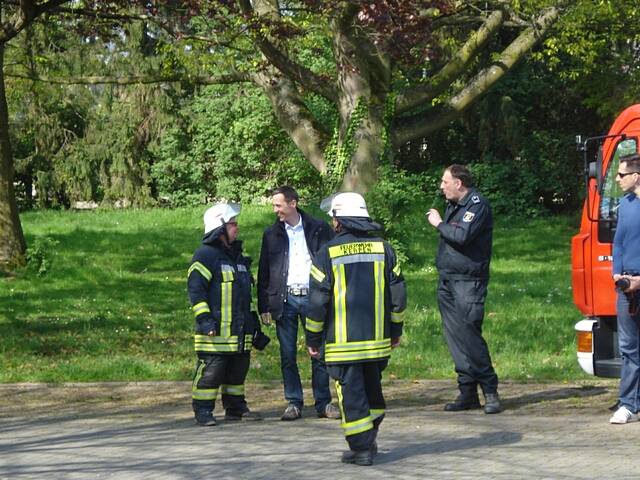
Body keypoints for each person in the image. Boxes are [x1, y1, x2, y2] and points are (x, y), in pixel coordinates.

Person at [305, 192, 407, 466]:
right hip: (377, 343)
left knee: (351, 397)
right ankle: (368, 439)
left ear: (340, 221)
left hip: (341, 345)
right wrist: (395, 331)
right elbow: (398, 298)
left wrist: (312, 338)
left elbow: (317, 302)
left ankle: (362, 449)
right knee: (373, 393)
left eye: (334, 218)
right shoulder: (385, 249)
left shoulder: (327, 253)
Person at [257, 186, 341, 421]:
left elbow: (330, 262)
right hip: (285, 300)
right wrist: (263, 305)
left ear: (293, 203)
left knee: (319, 352)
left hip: (314, 298)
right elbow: (264, 270)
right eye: (274, 205)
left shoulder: (319, 228)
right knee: (287, 354)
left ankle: (323, 403)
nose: (275, 210)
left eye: (278, 205)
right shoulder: (271, 233)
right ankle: (293, 402)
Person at [426, 164, 501, 414]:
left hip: (468, 282)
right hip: (448, 279)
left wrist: (438, 223)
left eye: (445, 182)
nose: (441, 186)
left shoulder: (477, 205)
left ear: (459, 183)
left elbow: (461, 236)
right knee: (455, 338)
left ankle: (489, 390)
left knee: (469, 335)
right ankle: (467, 391)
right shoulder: (454, 205)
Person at [187, 203, 262, 426]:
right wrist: (205, 320)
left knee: (237, 373)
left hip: (239, 332)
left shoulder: (238, 258)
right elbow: (196, 291)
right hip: (215, 331)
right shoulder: (205, 256)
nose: (236, 228)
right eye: (232, 224)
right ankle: (203, 411)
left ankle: (236, 408)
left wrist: (252, 324)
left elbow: (244, 295)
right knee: (211, 373)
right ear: (219, 229)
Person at [609, 153, 640, 424]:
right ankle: (629, 403)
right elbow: (618, 242)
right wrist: (616, 273)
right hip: (627, 286)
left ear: (636, 176)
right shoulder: (626, 204)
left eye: (621, 174)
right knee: (628, 346)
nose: (617, 179)